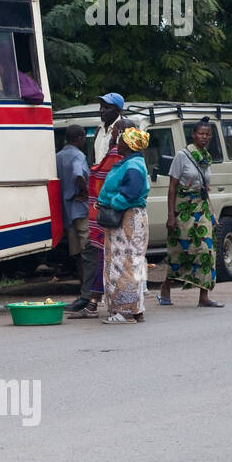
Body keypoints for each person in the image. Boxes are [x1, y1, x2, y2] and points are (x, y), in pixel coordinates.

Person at [67, 111, 130, 320]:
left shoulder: (122, 159)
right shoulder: (119, 157)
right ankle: (99, 302)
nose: (112, 136)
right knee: (106, 258)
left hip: (115, 216)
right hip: (107, 215)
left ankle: (109, 304)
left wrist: (107, 202)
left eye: (116, 133)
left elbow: (126, 190)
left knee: (111, 260)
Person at [157, 117, 223, 309]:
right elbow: (172, 188)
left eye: (208, 134)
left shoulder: (206, 157)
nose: (204, 137)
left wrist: (212, 213)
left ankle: (204, 296)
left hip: (201, 209)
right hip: (183, 211)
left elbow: (204, 186)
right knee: (180, 252)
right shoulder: (182, 156)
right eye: (201, 133)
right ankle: (166, 287)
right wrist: (171, 216)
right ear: (193, 135)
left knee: (206, 250)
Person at [98, 126, 151, 325]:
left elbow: (130, 193)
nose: (117, 144)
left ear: (129, 145)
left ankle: (125, 312)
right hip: (129, 218)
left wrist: (112, 204)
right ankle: (136, 309)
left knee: (123, 264)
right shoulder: (132, 163)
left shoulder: (133, 167)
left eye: (121, 141)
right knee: (132, 263)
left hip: (127, 219)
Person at [57, 125, 93, 312]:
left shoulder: (58, 156)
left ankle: (83, 291)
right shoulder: (78, 156)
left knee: (78, 255)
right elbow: (79, 173)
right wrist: (85, 191)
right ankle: (89, 294)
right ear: (79, 138)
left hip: (67, 212)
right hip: (80, 210)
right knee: (88, 254)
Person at [93, 92, 125, 163]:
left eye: (106, 107)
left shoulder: (125, 129)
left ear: (118, 110)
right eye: (101, 106)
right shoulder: (99, 130)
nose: (101, 110)